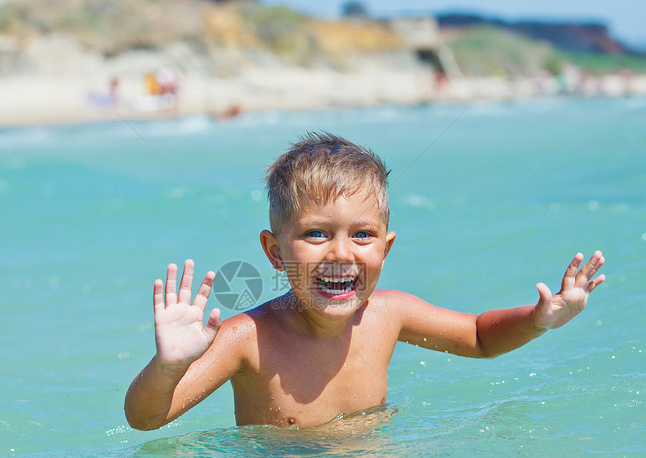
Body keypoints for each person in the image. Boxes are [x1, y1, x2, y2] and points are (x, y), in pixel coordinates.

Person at [124, 133, 605, 430]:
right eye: (316, 233)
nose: (341, 252)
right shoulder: (246, 340)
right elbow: (146, 419)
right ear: (274, 252)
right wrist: (168, 366)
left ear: (385, 248)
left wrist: (540, 319)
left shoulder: (389, 314)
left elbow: (479, 337)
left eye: (362, 234)